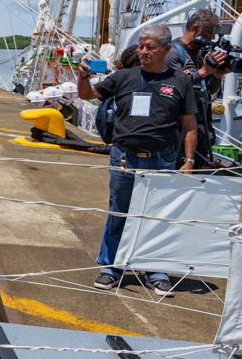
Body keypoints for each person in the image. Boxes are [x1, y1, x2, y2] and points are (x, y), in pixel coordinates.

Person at [76, 24, 198, 295]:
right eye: (141, 46)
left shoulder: (181, 80)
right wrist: (83, 77)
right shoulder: (124, 76)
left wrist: (189, 160)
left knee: (156, 217)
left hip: (162, 160)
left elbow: (189, 123)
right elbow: (88, 95)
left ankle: (156, 270)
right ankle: (111, 267)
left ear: (166, 49)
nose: (143, 51)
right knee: (119, 213)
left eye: (150, 47)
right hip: (124, 158)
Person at [164, 8, 229, 167]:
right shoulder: (173, 53)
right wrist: (204, 71)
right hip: (179, 129)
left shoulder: (201, 53)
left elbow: (209, 89)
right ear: (194, 29)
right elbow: (175, 87)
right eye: (209, 32)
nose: (212, 37)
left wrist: (216, 75)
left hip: (201, 126)